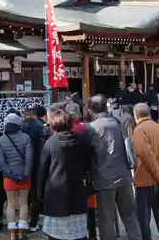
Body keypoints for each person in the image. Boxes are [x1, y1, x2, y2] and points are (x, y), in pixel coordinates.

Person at [87, 94, 141, 240]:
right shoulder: (118, 123)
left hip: (103, 179)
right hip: (123, 175)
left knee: (107, 219)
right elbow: (128, 148)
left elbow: (89, 155)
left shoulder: (91, 128)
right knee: (130, 215)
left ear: (91, 110)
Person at [38, 109, 93, 240]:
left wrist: (40, 193)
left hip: (55, 194)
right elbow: (88, 166)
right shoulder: (82, 141)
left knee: (56, 236)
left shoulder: (50, 143)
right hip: (77, 192)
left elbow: (42, 170)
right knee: (78, 235)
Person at [131, 103, 159, 240]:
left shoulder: (138, 130)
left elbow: (146, 154)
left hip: (145, 179)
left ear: (135, 115)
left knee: (143, 219)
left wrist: (158, 175)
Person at [0, 113, 33, 240]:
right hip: (24, 175)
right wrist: (26, 174)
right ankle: (22, 232)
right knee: (23, 203)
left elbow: (1, 162)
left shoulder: (1, 140)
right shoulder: (26, 137)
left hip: (8, 177)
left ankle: (13, 234)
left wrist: (11, 174)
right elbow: (29, 158)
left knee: (11, 204)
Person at [65, 102, 98, 240]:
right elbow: (95, 151)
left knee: (72, 207)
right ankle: (91, 235)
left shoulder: (61, 130)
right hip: (87, 174)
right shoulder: (88, 129)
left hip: (67, 175)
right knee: (90, 207)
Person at [21, 108, 48, 232]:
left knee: (24, 195)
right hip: (38, 165)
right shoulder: (41, 127)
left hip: (23, 165)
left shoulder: (21, 127)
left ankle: (23, 222)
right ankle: (34, 222)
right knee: (36, 195)